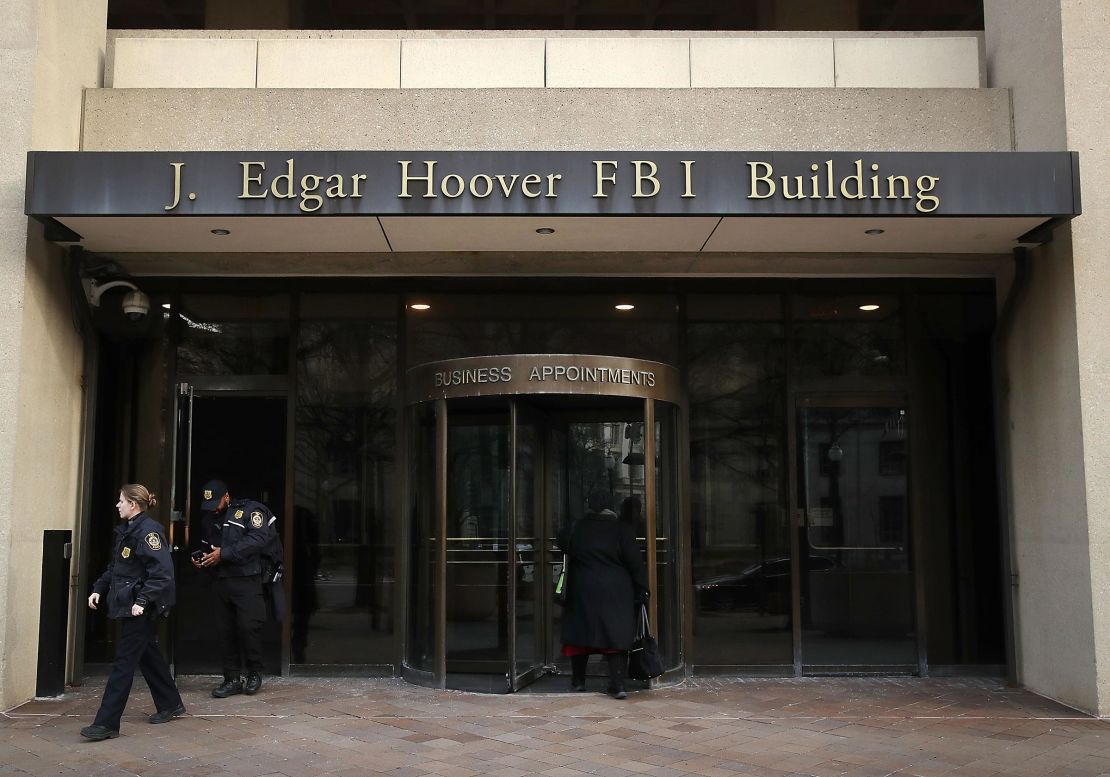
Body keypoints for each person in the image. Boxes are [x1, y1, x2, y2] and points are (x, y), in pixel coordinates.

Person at [81, 484, 184, 741]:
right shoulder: (128, 531)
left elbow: (162, 574)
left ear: (133, 505)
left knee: (123, 665)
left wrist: (143, 600)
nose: (117, 505)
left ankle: (106, 723)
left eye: (121, 501)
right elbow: (117, 568)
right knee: (146, 654)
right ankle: (171, 702)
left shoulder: (148, 533)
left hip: (141, 609)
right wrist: (98, 589)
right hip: (131, 606)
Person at [560, 489, 649, 699]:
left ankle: (578, 682)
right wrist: (642, 589)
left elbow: (563, 544)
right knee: (615, 635)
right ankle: (617, 685)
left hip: (582, 586)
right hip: (616, 589)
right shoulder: (622, 529)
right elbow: (635, 563)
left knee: (579, 635)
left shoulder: (576, 527)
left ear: (589, 503)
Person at [194, 479, 278, 698]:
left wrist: (225, 554)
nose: (214, 508)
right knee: (225, 631)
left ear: (227, 496)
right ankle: (231, 678)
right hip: (220, 581)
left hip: (246, 580)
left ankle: (254, 673)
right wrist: (202, 559)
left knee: (248, 627)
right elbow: (206, 546)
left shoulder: (250, 511)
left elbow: (258, 539)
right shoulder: (208, 519)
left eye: (217, 502)